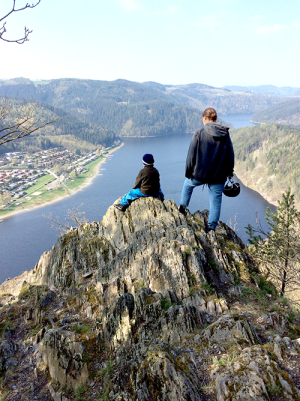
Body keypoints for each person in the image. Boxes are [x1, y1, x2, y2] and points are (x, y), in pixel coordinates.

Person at [179, 107, 234, 233]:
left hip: (200, 174)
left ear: (204, 118)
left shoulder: (199, 133)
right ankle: (211, 227)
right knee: (216, 201)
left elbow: (191, 155)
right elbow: (230, 154)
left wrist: (188, 172)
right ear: (215, 119)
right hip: (219, 175)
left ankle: (182, 209)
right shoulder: (225, 133)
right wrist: (229, 172)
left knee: (188, 185)